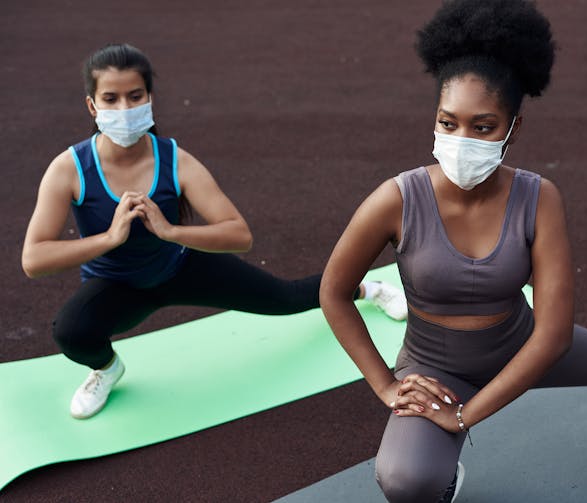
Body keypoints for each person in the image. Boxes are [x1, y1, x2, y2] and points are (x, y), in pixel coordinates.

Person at [318, 1, 587, 501]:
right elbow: (333, 291)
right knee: (406, 482)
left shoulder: (538, 197)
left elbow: (553, 336)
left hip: (525, 346)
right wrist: (386, 385)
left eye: (482, 127)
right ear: (434, 121)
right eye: (448, 122)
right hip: (434, 369)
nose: (461, 139)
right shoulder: (396, 198)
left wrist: (464, 415)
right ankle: (440, 476)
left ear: (512, 128)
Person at [21, 43, 407, 420]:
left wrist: (170, 231)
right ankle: (106, 369)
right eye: (111, 99)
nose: (124, 109)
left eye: (134, 96)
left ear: (149, 99)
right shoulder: (69, 168)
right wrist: (109, 239)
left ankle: (367, 289)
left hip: (181, 269)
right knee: (71, 331)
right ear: (93, 106)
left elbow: (240, 234)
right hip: (117, 285)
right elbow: (34, 260)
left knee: (284, 298)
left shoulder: (175, 160)